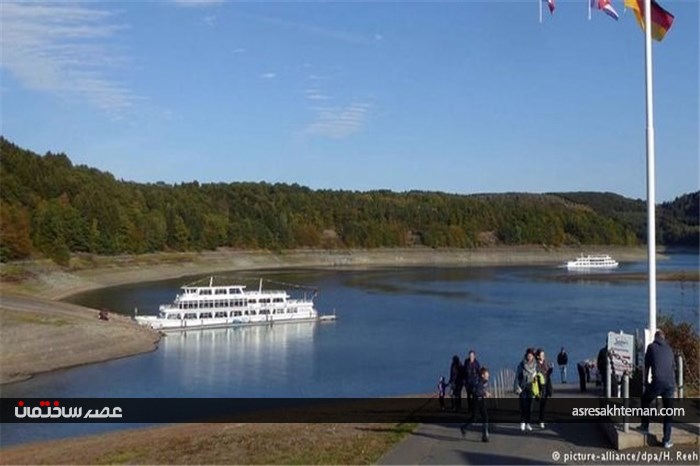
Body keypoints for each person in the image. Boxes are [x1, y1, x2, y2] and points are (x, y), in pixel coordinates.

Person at [640, 330, 676, 449]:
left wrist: (645, 381)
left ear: (655, 338)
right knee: (668, 412)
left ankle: (645, 426)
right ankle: (667, 440)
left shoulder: (651, 347)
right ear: (664, 338)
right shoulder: (670, 349)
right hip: (670, 383)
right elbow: (673, 367)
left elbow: (647, 366)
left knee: (645, 400)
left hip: (658, 382)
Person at [460, 366, 491, 442]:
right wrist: (485, 393)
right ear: (482, 375)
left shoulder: (484, 381)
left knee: (485, 417)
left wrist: (485, 393)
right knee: (474, 418)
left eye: (488, 375)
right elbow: (477, 391)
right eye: (487, 375)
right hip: (476, 401)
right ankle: (464, 427)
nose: (488, 376)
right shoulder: (478, 381)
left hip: (481, 400)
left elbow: (482, 389)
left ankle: (485, 436)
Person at [514, 348, 537, 432]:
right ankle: (522, 422)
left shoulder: (535, 365)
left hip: (531, 387)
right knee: (523, 405)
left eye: (531, 355)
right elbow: (517, 376)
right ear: (526, 355)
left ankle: (528, 423)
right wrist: (517, 387)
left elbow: (537, 377)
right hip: (523, 386)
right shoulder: (521, 364)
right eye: (528, 355)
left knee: (530, 407)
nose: (529, 357)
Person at [534, 348, 553, 429]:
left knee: (543, 405)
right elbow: (536, 374)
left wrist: (551, 370)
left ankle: (541, 420)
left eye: (544, 355)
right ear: (538, 356)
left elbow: (548, 375)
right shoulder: (535, 365)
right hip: (538, 386)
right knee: (538, 403)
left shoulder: (546, 363)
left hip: (546, 385)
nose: (543, 356)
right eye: (542, 355)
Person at [463, 350, 481, 419]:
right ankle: (469, 409)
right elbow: (464, 372)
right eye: (470, 356)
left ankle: (474, 409)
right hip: (468, 381)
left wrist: (480, 381)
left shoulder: (476, 363)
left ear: (474, 356)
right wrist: (464, 381)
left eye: (472, 356)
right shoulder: (466, 362)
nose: (471, 357)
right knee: (468, 396)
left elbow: (479, 372)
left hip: (474, 382)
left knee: (474, 396)